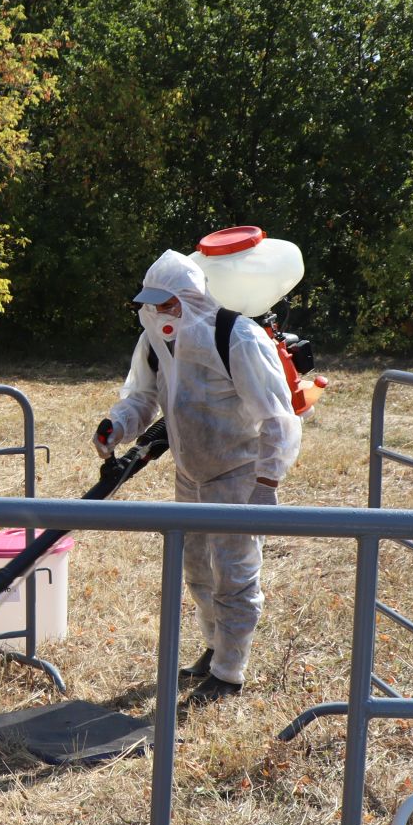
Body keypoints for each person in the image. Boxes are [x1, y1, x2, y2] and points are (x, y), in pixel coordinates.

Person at [93, 249, 300, 700]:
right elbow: (140, 398)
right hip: (191, 473)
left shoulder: (236, 337)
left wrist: (267, 483)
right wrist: (118, 425)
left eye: (166, 303)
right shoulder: (153, 340)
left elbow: (277, 418)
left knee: (234, 575)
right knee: (198, 572)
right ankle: (215, 649)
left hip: (238, 474)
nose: (157, 312)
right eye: (150, 304)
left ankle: (229, 673)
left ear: (189, 297)